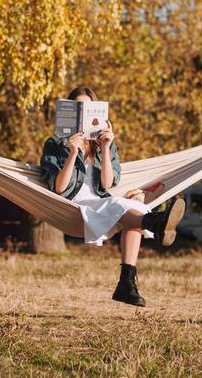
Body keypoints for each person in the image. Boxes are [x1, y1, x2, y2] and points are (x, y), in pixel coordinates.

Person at [39, 86, 185, 307]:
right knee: (125, 207)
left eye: (88, 107)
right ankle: (154, 225)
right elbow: (59, 188)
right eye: (79, 106)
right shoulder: (55, 143)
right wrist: (72, 153)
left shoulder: (104, 143)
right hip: (73, 203)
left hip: (100, 201)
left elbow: (107, 184)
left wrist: (105, 148)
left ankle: (126, 284)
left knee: (129, 206)